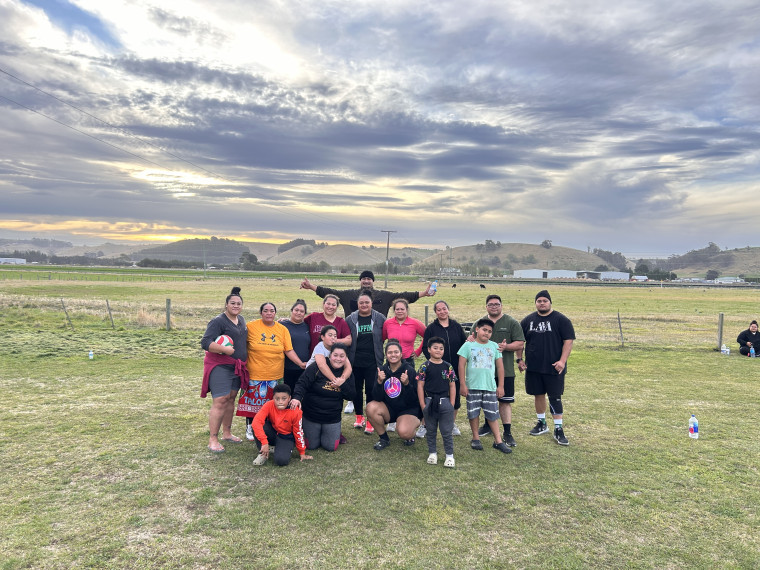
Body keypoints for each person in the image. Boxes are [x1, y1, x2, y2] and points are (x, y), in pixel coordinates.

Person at [239, 302, 307, 441]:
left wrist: (300, 363)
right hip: (255, 373)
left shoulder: (282, 329)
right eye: (265, 310)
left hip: (275, 375)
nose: (269, 313)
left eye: (271, 311)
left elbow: (288, 349)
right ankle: (250, 427)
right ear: (261, 313)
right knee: (253, 404)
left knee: (273, 405)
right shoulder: (251, 327)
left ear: (275, 313)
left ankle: (269, 428)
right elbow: (240, 343)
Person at [517, 290, 576, 446]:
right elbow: (519, 341)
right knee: (538, 395)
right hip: (534, 367)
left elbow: (568, 342)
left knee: (555, 397)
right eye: (539, 301)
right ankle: (541, 423)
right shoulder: (528, 320)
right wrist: (519, 359)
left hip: (554, 367)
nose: (542, 303)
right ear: (535, 303)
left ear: (550, 302)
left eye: (545, 301)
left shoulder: (561, 320)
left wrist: (562, 361)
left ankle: (558, 429)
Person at [200, 286, 250, 453]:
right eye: (232, 303)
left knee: (230, 399)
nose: (236, 306)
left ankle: (226, 433)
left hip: (236, 367)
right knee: (220, 400)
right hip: (220, 366)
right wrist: (225, 350)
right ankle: (212, 439)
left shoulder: (241, 320)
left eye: (238, 303)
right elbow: (205, 342)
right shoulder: (218, 321)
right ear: (226, 305)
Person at [472, 294, 525, 447]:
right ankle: (488, 425)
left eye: (496, 304)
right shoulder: (479, 322)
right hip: (483, 371)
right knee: (485, 400)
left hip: (505, 370)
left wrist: (506, 347)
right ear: (486, 306)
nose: (494, 306)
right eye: (490, 304)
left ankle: (507, 432)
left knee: (505, 401)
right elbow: (471, 342)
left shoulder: (511, 322)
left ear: (501, 305)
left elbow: (520, 343)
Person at [457, 319, 512, 454]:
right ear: (476, 329)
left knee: (492, 414)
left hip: (489, 387)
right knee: (473, 412)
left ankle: (498, 440)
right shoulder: (467, 346)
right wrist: (463, 384)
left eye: (489, 331)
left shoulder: (494, 346)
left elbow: (500, 367)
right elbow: (461, 365)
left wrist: (501, 386)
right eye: (484, 330)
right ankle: (475, 438)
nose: (486, 333)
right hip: (472, 386)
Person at [291, 343, 356, 451]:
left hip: (332, 417)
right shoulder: (317, 367)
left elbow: (351, 396)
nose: (338, 359)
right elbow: (302, 383)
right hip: (312, 415)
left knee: (330, 447)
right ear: (330, 355)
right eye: (335, 355)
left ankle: (332, 433)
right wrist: (297, 397)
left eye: (342, 356)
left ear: (346, 358)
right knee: (311, 446)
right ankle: (310, 430)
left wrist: (342, 384)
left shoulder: (346, 374)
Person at [300, 269, 435, 317]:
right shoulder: (349, 295)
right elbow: (329, 292)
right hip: (353, 337)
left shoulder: (384, 296)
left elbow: (404, 296)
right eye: (363, 279)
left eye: (369, 279)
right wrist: (311, 286)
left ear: (373, 281)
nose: (366, 281)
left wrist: (423, 293)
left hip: (375, 339)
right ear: (360, 281)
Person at [422, 300, 467, 436]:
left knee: (454, 396)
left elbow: (464, 345)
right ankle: (425, 425)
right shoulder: (431, 328)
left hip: (454, 368)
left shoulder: (456, 327)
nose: (442, 312)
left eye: (444, 309)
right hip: (435, 368)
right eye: (439, 310)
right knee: (431, 395)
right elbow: (425, 347)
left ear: (448, 309)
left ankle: (450, 423)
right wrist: (434, 361)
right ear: (435, 312)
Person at [366, 340, 422, 449]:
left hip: (408, 409)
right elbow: (376, 398)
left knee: (404, 433)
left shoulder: (409, 371)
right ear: (386, 355)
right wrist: (379, 382)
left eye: (396, 352)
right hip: (390, 408)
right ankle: (384, 438)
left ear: (401, 354)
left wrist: (406, 384)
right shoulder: (381, 371)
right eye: (390, 352)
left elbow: (414, 400)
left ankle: (411, 431)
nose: (393, 355)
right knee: (370, 407)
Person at [345, 290, 386, 434]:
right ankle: (359, 417)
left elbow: (386, 334)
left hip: (373, 362)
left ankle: (370, 420)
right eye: (361, 302)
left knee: (371, 390)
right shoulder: (350, 319)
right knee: (356, 390)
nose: (364, 305)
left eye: (366, 302)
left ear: (371, 303)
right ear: (357, 304)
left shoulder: (380, 318)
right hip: (355, 361)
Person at [416, 337, 457, 468]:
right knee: (431, 430)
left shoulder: (448, 366)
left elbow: (452, 386)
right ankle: (432, 453)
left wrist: (451, 403)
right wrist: (423, 404)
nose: (438, 351)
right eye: (435, 348)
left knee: (446, 430)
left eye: (441, 348)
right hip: (429, 402)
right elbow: (420, 386)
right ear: (428, 349)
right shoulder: (424, 366)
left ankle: (449, 456)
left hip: (445, 402)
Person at [251, 384, 311, 466]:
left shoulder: (296, 411)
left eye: (284, 398)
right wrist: (264, 442)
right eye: (277, 398)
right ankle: (263, 452)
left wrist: (302, 452)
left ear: (289, 398)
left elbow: (298, 432)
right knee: (258, 426)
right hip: (273, 432)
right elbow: (256, 422)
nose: (280, 402)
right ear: (273, 398)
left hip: (286, 437)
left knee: (281, 461)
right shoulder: (269, 405)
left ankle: (278, 448)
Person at [382, 298, 425, 368]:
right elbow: (383, 338)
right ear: (394, 310)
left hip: (408, 360)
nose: (400, 311)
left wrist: (418, 351)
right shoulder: (387, 323)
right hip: (391, 360)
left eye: (402, 309)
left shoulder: (415, 323)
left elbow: (428, 336)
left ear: (407, 310)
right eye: (397, 309)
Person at [280, 299, 311, 394]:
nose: (298, 313)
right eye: (296, 310)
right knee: (287, 395)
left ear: (305, 313)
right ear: (292, 311)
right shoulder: (281, 325)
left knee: (301, 395)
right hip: (286, 368)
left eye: (302, 311)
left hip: (304, 369)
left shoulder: (308, 326)